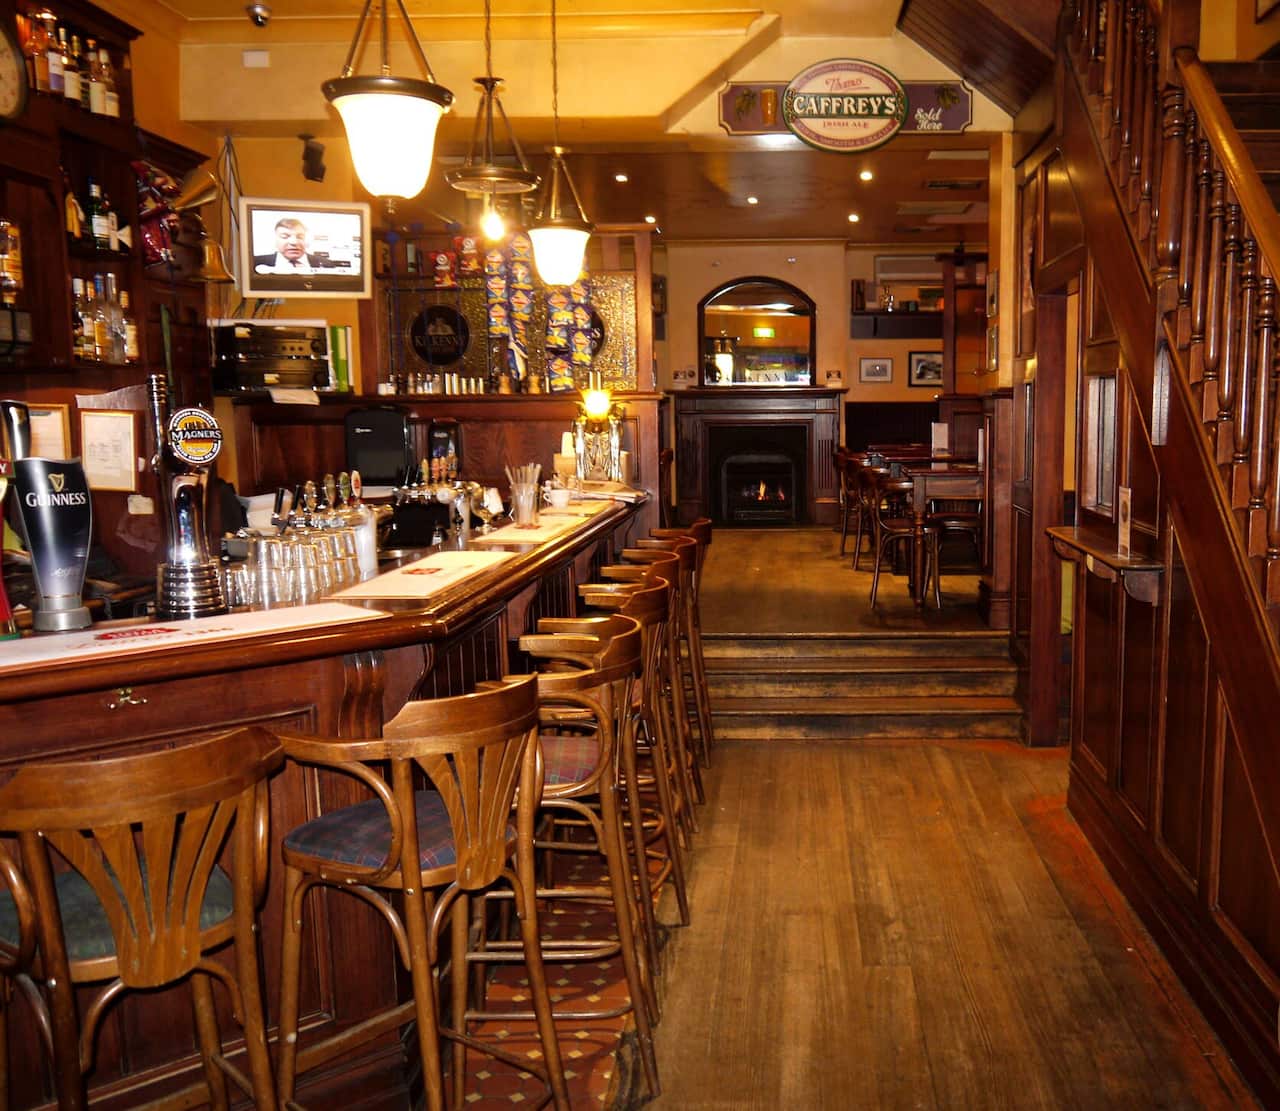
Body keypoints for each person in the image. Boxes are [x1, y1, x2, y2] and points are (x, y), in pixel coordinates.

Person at [253, 217, 322, 273]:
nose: (294, 242)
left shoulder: (328, 265)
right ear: (275, 240)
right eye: (285, 237)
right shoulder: (254, 263)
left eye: (300, 237)